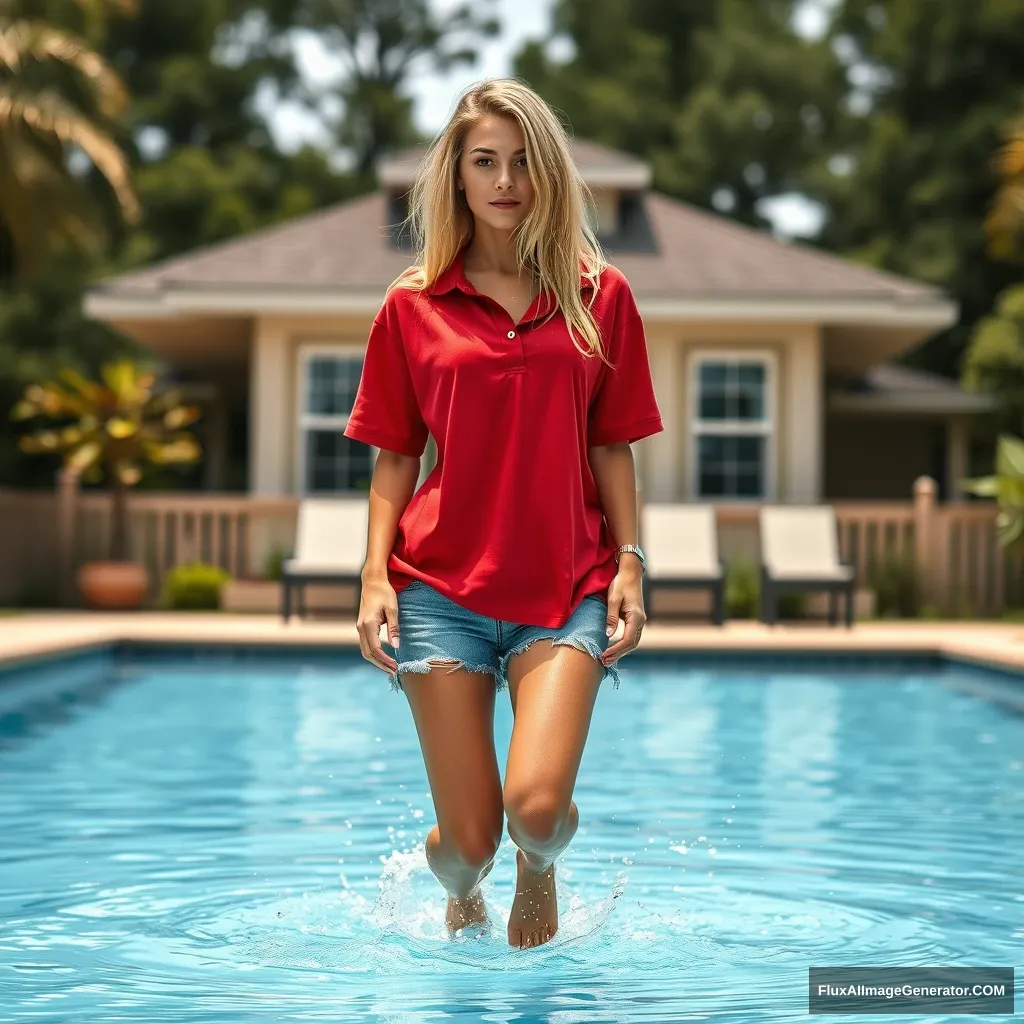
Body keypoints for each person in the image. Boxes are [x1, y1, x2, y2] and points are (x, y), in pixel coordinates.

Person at [343, 78, 664, 950]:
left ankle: (543, 861)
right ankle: (462, 883)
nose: (505, 180)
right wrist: (375, 576)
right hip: (439, 593)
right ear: (456, 175)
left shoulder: (602, 295)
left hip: (566, 587)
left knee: (538, 811)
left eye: (523, 162)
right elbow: (395, 454)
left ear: (549, 173)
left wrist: (630, 558)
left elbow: (613, 444)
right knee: (466, 852)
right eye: (484, 161)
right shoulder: (413, 304)